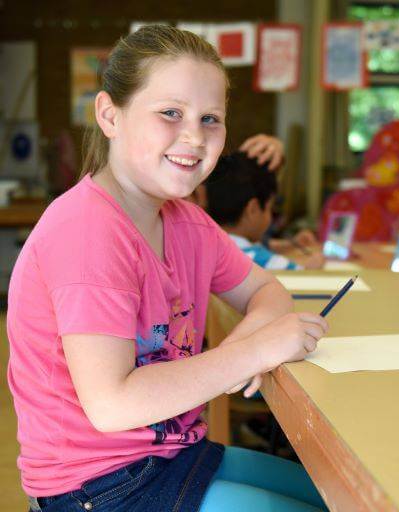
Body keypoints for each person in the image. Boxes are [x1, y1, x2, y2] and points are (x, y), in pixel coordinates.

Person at [7, 26, 329, 512]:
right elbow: (112, 405)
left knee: (339, 496)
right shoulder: (88, 230)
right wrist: (252, 352)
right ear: (109, 115)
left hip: (171, 454)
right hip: (97, 488)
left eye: (211, 118)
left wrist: (247, 348)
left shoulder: (187, 223)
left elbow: (267, 290)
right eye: (170, 113)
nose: (195, 137)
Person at [206, 151, 324, 270]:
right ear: (252, 210)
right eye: (269, 208)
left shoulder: (205, 248)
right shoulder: (263, 260)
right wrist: (313, 264)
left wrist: (289, 245)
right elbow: (299, 273)